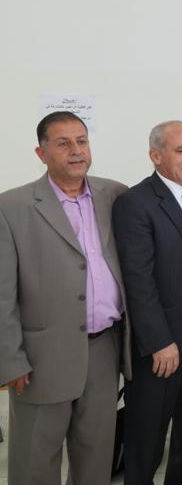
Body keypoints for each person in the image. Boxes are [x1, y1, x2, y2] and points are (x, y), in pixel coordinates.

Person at [0, 111, 130, 484]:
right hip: (41, 358)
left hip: (103, 351)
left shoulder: (115, 195)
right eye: (63, 143)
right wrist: (10, 360)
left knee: (96, 459)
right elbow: (2, 295)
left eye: (81, 141)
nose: (76, 150)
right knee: (35, 462)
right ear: (41, 153)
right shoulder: (11, 208)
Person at [112, 120, 182, 484]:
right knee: (147, 436)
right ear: (155, 156)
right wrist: (159, 340)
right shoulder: (135, 203)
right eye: (181, 151)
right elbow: (138, 280)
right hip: (163, 342)